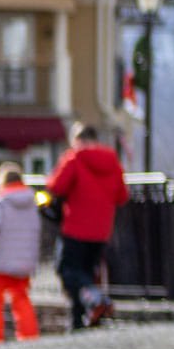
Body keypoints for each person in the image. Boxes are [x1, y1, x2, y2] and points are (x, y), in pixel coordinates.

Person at [47, 123, 126, 331]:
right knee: (87, 272)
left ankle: (94, 299)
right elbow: (122, 195)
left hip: (76, 227)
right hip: (101, 230)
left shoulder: (74, 158)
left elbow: (56, 186)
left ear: (77, 139)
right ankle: (79, 320)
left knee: (66, 269)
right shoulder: (112, 161)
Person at [0, 162, 41, 345]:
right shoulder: (31, 201)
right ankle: (29, 335)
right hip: (24, 260)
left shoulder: (2, 201)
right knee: (21, 298)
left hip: (2, 259)